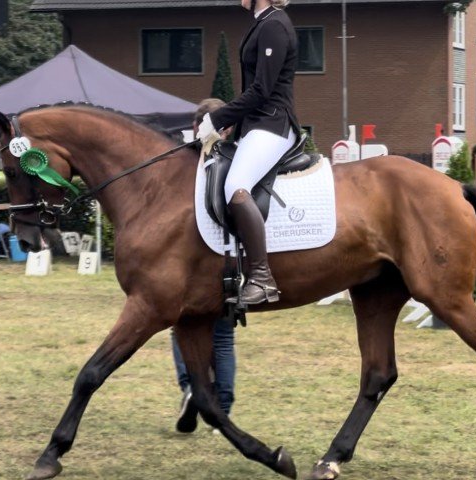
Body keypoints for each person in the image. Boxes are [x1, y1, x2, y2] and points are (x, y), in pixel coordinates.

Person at [197, 0, 300, 305]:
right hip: (256, 124)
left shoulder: (275, 25)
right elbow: (251, 92)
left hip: (274, 123)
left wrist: (218, 118)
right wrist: (233, 124)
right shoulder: (262, 23)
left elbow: (262, 90)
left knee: (235, 186)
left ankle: (262, 277)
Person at [173, 98, 237, 434]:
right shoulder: (237, 161)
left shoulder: (187, 164)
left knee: (181, 328)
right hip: (229, 265)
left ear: (198, 126)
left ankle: (189, 389)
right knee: (223, 340)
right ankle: (222, 408)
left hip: (194, 267)